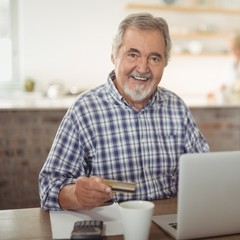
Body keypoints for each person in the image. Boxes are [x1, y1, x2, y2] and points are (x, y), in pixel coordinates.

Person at [38, 13, 209, 211]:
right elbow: (48, 187)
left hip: (170, 223)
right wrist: (76, 195)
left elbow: (204, 173)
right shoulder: (84, 111)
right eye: (133, 54)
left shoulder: (176, 107)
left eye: (154, 58)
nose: (143, 68)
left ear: (164, 64)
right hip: (111, 226)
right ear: (114, 56)